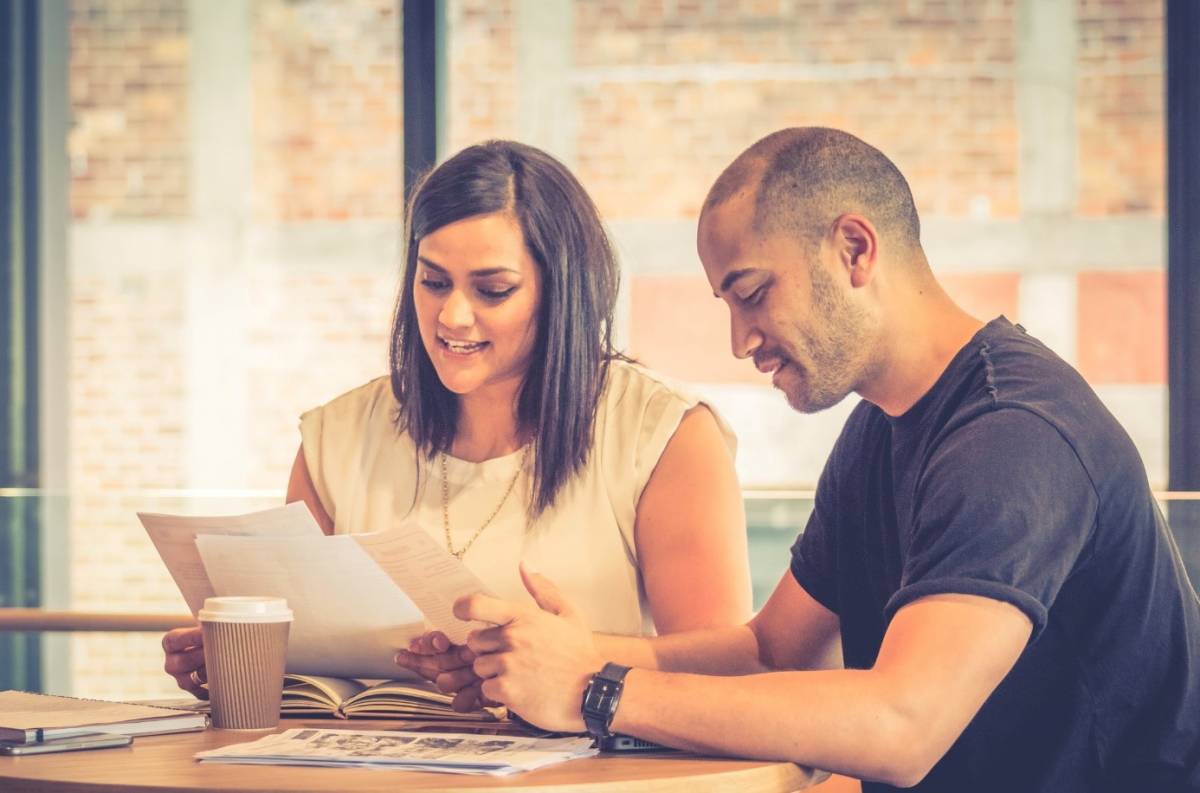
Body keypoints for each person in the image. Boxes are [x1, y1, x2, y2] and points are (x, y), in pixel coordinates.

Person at [414, 128, 1200, 792]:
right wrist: (566, 655)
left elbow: (903, 722)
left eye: (752, 293)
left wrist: (596, 690)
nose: (739, 340)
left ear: (854, 248)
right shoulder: (882, 427)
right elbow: (771, 649)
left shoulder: (1012, 433)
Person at [162, 140, 752, 702]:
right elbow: (302, 660)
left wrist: (577, 658)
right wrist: (236, 653)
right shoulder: (338, 437)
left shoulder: (663, 434)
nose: (453, 315)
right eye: (433, 281)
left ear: (563, 291)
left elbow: (729, 667)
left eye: (493, 290)